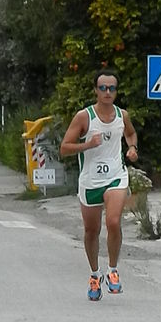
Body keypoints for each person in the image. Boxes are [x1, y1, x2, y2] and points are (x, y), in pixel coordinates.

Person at [60, 68, 138, 301]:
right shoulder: (84, 117)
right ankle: (95, 275)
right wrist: (87, 145)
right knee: (91, 231)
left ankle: (113, 271)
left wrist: (132, 148)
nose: (107, 92)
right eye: (102, 88)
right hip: (90, 179)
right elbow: (64, 148)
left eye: (111, 88)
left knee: (113, 221)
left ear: (116, 91)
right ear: (95, 90)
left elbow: (131, 135)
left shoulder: (122, 115)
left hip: (116, 175)